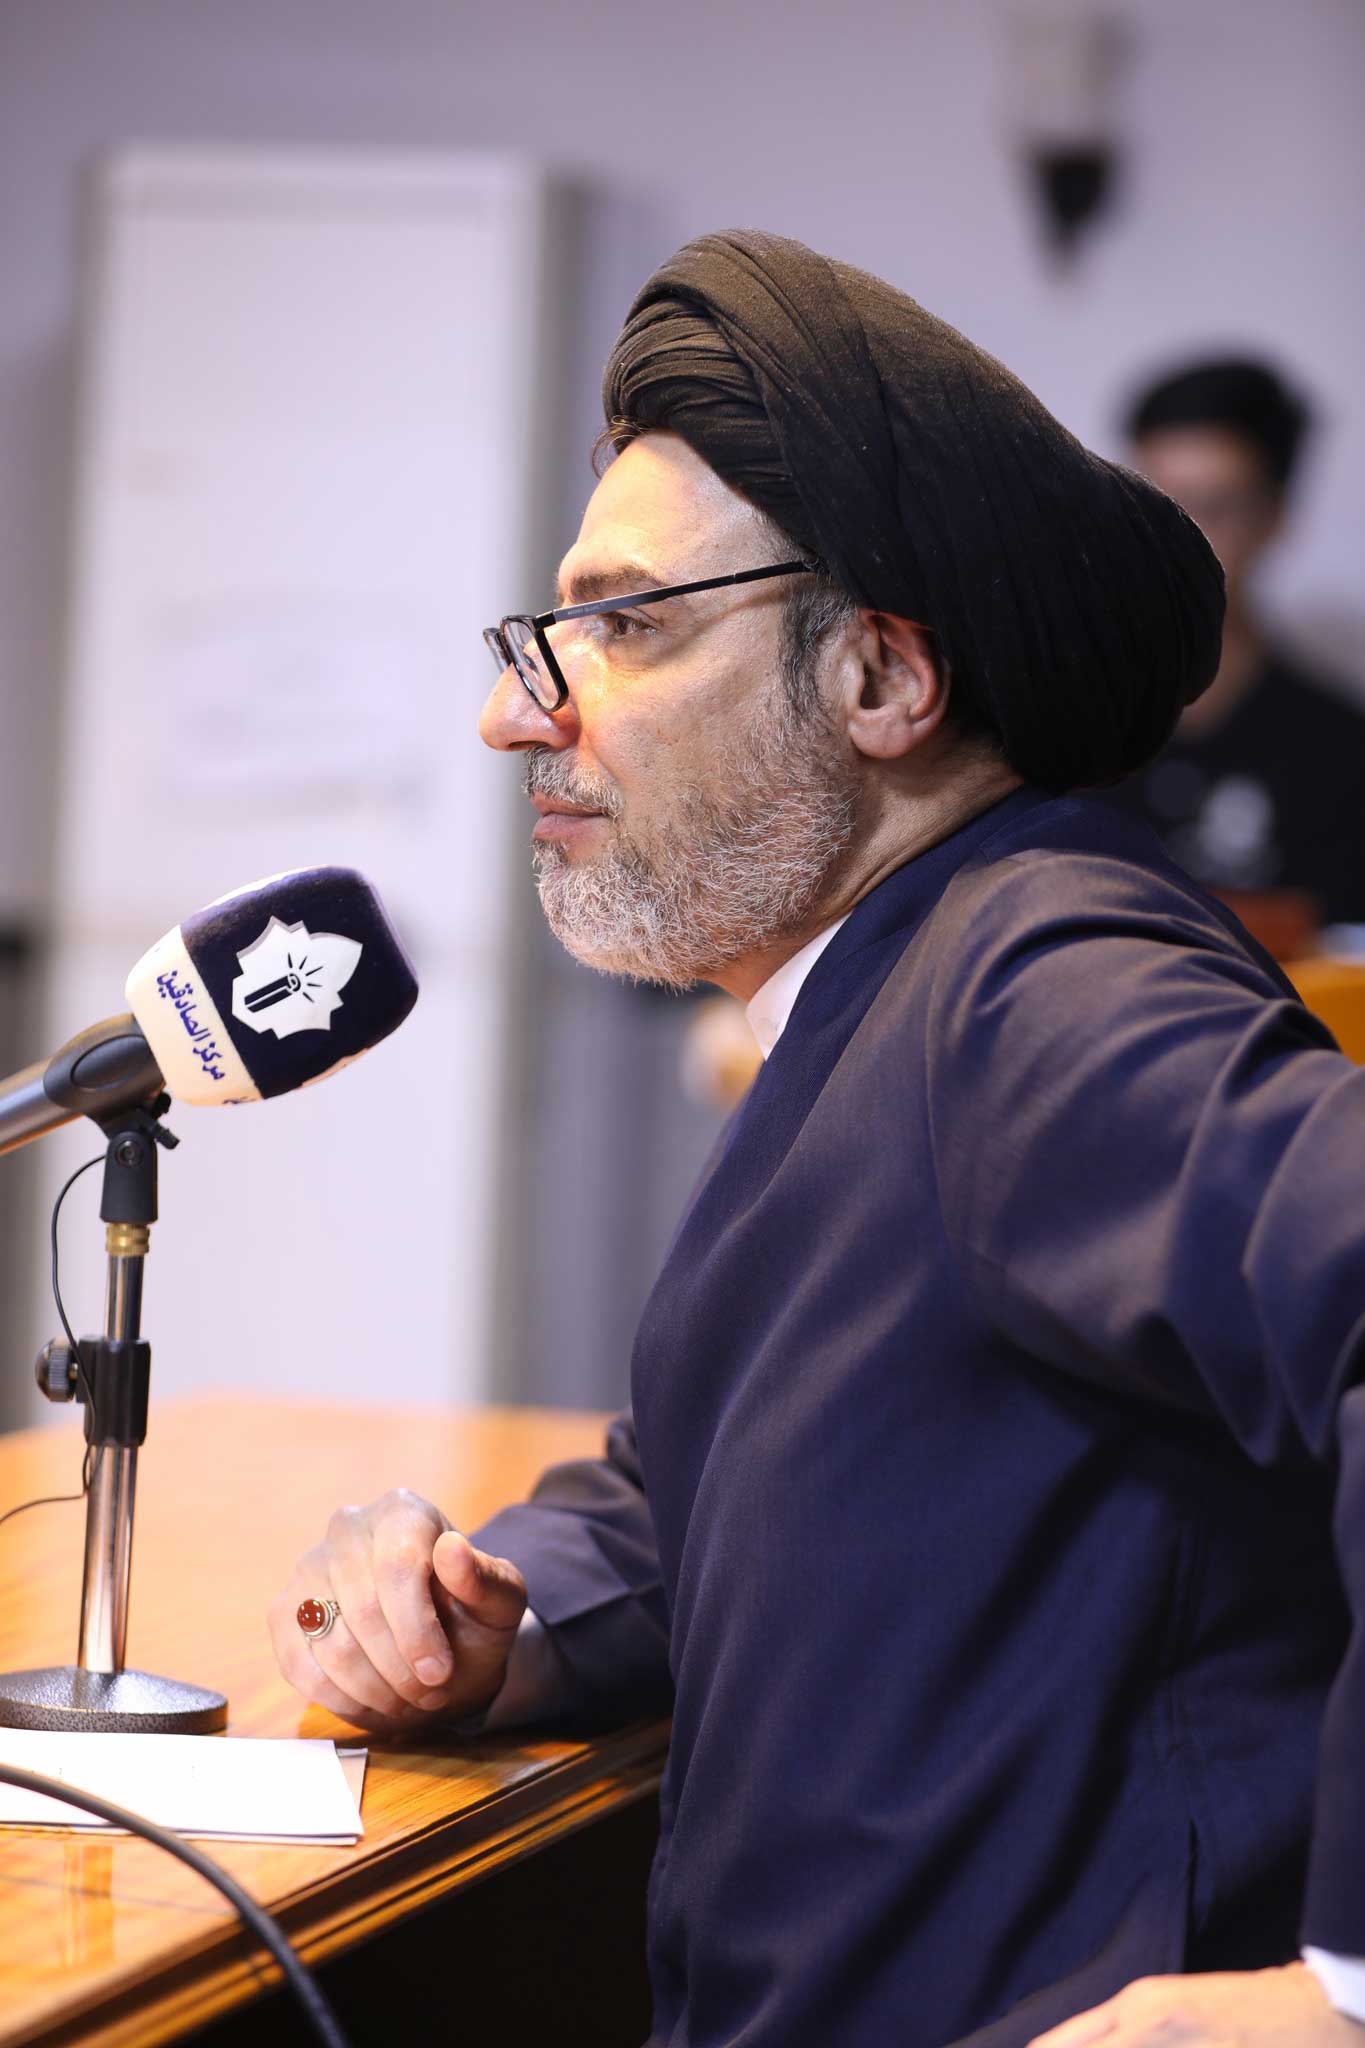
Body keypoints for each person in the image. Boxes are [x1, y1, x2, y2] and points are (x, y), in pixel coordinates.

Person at [270, 232, 1365, 2047]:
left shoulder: (1035, 983)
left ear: (878, 679)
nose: (515, 711)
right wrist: (495, 1614)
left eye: (628, 624)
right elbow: (739, 1469)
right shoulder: (868, 985)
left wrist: (1342, 1993)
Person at [1105, 356, 1365, 936]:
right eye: (1150, 504)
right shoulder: (1063, 720)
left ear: (1274, 518)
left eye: (1214, 508)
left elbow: (1334, 926)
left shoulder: (1339, 747)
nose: (1175, 539)